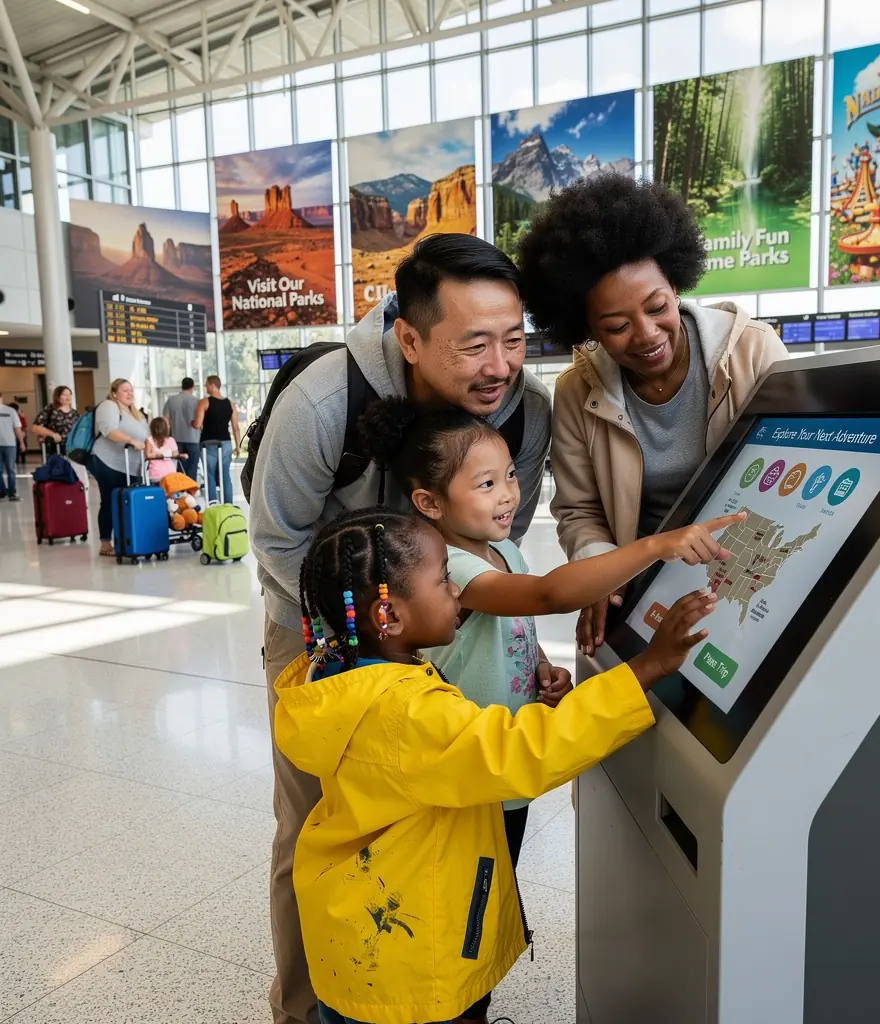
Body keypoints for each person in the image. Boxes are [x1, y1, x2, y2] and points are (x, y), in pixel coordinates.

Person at [358, 397, 742, 1024]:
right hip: (463, 784)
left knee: (483, 900)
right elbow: (546, 595)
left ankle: (467, 1002)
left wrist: (537, 669)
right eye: (486, 484)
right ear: (429, 503)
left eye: (510, 474)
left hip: (502, 777)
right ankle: (453, 1007)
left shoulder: (500, 549)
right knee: (457, 910)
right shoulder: (450, 564)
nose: (508, 493)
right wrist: (655, 546)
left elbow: (516, 626)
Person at [249, 233, 552, 1024]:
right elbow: (278, 539)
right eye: (475, 344)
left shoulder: (524, 410)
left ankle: (445, 995)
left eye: (514, 339)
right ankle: (308, 1006)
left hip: (462, 622)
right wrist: (363, 647)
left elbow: (500, 538)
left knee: (456, 823)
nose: (500, 366)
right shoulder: (324, 401)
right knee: (320, 826)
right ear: (408, 336)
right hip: (325, 632)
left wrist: (523, 647)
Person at [274, 507, 720, 1024]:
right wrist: (645, 669)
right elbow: (525, 751)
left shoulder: (337, 675)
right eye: (443, 580)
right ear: (388, 617)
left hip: (356, 936)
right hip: (415, 959)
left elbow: (462, 745)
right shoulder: (408, 713)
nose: (455, 592)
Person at [517, 175, 788, 653]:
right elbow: (579, 511)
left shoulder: (751, 352)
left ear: (676, 283)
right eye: (617, 326)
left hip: (749, 572)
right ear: (586, 327)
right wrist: (603, 572)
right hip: (639, 587)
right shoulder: (578, 391)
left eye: (657, 306)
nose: (645, 335)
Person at [87, 379, 148, 557]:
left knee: (127, 501)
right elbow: (109, 431)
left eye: (131, 390)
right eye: (124, 390)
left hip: (130, 465)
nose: (129, 394)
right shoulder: (109, 406)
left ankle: (128, 539)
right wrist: (131, 441)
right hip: (107, 461)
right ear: (114, 393)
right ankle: (105, 543)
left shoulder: (135, 413)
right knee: (110, 500)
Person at [194, 375, 240, 506]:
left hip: (208, 443)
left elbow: (197, 424)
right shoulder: (230, 404)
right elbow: (236, 427)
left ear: (212, 385)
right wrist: (237, 446)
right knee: (225, 475)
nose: (205, 387)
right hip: (225, 443)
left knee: (210, 475)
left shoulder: (204, 402)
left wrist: (192, 422)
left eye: (206, 385)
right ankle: (229, 506)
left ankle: (213, 505)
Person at [163, 377, 201, 480]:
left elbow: (166, 420)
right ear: (192, 387)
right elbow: (200, 421)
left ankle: (181, 492)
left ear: (182, 386)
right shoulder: (197, 401)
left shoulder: (171, 400)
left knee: (180, 468)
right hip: (193, 439)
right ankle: (191, 492)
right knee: (193, 468)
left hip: (177, 439)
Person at [0, 392, 25, 501]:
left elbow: (17, 428)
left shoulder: (10, 411)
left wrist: (21, 442)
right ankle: (2, 491)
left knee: (11, 469)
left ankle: (12, 493)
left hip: (10, 444)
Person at [145, 416, 180, 483]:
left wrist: (156, 455)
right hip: (170, 472)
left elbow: (148, 455)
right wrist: (168, 454)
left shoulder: (149, 440)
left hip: (155, 473)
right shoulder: (171, 440)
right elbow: (176, 453)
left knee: (157, 492)